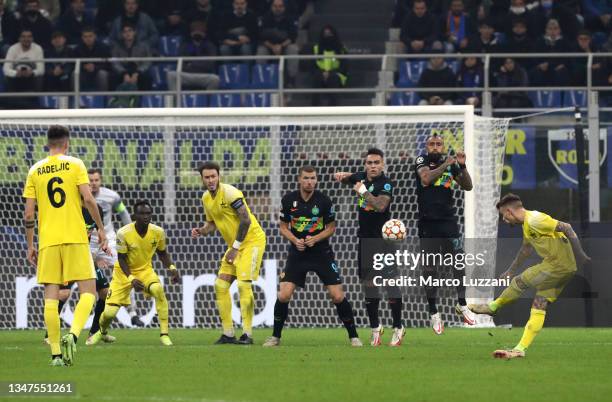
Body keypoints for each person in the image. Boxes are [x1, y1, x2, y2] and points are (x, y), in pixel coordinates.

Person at [23, 125, 109, 366]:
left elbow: (29, 214)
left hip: (48, 241)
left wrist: (30, 245)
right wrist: (101, 229)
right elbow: (89, 199)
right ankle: (72, 335)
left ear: (47, 144)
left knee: (51, 296)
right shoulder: (75, 164)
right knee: (89, 292)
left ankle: (55, 355)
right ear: (67, 144)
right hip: (75, 237)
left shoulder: (35, 170)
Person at [470, 193, 590, 359]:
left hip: (557, 265)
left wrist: (581, 253)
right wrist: (511, 269)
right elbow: (526, 249)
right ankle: (520, 349)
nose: (504, 220)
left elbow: (566, 227)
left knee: (520, 281)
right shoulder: (527, 224)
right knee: (539, 304)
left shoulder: (535, 219)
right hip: (565, 268)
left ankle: (493, 307)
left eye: (503, 216)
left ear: (509, 212)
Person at [263, 165, 361, 347]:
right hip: (297, 253)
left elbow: (331, 228)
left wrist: (314, 239)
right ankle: (275, 337)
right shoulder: (288, 200)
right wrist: (295, 240)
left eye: (313, 178)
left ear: (316, 180)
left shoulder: (324, 201)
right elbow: (283, 227)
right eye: (306, 178)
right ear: (299, 179)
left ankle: (354, 336)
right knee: (284, 295)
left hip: (321, 253)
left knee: (338, 296)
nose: (310, 182)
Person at [334, 148, 405, 347]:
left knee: (390, 284)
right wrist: (342, 175)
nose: (373, 166)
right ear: (365, 165)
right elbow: (350, 177)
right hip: (365, 241)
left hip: (385, 242)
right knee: (369, 285)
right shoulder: (360, 177)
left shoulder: (386, 184)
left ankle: (398, 327)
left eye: (376, 162)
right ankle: (376, 328)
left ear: (382, 164)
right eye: (369, 163)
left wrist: (363, 192)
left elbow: (381, 206)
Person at [192, 161, 267, 345]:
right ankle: (228, 333)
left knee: (243, 286)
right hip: (235, 245)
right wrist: (201, 230)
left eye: (213, 176)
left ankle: (247, 334)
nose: (210, 180)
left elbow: (246, 220)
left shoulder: (231, 193)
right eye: (207, 177)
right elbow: (212, 223)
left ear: (219, 176)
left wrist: (234, 248)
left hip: (252, 242)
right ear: (202, 179)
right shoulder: (206, 199)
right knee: (220, 286)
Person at [89, 200, 179, 346]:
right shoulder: (123, 233)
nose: (145, 216)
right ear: (134, 215)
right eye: (142, 213)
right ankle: (102, 332)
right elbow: (122, 259)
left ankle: (164, 334)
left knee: (158, 289)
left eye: (148, 213)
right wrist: (131, 278)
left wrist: (172, 268)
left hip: (145, 270)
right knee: (109, 313)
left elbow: (162, 253)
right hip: (122, 273)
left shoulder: (158, 232)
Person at [414, 133, 475, 335]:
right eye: (432, 144)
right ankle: (434, 312)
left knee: (458, 261)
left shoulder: (450, 163)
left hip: (448, 221)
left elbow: (468, 185)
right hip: (428, 223)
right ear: (426, 146)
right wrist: (446, 164)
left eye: (439, 144)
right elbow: (425, 179)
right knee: (430, 269)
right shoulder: (421, 161)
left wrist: (462, 166)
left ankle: (462, 304)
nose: (435, 147)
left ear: (443, 146)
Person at [43, 203, 116, 346]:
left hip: (85, 258)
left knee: (105, 292)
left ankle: (94, 332)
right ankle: (50, 334)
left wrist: (102, 249)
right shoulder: (70, 209)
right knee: (63, 293)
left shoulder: (96, 209)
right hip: (68, 256)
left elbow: (100, 237)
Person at [87, 168, 145, 330]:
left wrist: (130, 234)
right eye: (90, 180)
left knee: (125, 271)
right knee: (85, 278)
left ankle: (133, 313)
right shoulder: (81, 196)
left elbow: (124, 214)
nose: (93, 183)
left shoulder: (112, 197)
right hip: (88, 242)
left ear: (101, 181)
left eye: (96, 180)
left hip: (109, 240)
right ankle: (80, 314)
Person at [167, 20, 220, 93]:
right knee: (171, 75)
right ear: (191, 33)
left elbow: (210, 64)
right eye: (195, 32)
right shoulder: (185, 45)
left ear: (204, 33)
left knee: (215, 79)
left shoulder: (210, 46)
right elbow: (181, 63)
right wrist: (200, 63)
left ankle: (208, 103)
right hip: (187, 75)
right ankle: (176, 101)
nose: (197, 34)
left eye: (200, 32)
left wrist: (191, 64)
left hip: (203, 75)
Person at [256, 0, 299, 85]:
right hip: (268, 45)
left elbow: (293, 37)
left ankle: (291, 79)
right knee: (261, 52)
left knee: (293, 49)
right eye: (275, 6)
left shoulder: (290, 19)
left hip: (285, 45)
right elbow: (260, 36)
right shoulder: (265, 18)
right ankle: (261, 80)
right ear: (271, 7)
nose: (277, 8)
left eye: (280, 6)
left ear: (284, 8)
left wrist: (281, 46)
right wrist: (272, 46)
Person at [3, 29, 44, 109]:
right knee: (6, 77)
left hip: (31, 78)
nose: (26, 39)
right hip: (16, 78)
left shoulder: (38, 48)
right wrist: (15, 73)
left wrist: (32, 72)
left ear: (32, 39)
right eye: (23, 37)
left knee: (39, 78)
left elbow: (41, 69)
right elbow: (6, 69)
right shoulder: (13, 48)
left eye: (29, 37)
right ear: (19, 39)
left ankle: (34, 104)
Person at [311, 25, 347, 106]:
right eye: (325, 34)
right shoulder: (316, 48)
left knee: (333, 78)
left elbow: (344, 67)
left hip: (336, 74)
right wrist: (323, 73)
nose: (327, 36)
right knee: (317, 77)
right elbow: (312, 66)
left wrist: (330, 72)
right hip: (320, 74)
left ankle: (333, 109)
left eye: (330, 34)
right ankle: (314, 109)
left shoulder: (341, 48)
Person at [111, 22, 153, 92]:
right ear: (122, 34)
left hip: (138, 70)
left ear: (134, 32)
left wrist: (138, 72)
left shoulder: (144, 46)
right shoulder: (116, 47)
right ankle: (115, 100)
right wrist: (124, 73)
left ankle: (145, 100)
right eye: (125, 32)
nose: (127, 33)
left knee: (147, 78)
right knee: (112, 78)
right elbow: (115, 62)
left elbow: (147, 62)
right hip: (123, 70)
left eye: (130, 31)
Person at [73, 26, 111, 92]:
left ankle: (103, 97)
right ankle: (76, 98)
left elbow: (107, 64)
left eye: (90, 36)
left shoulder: (103, 47)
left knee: (103, 74)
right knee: (75, 74)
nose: (88, 39)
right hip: (83, 72)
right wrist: (84, 66)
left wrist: (95, 67)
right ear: (82, 38)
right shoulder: (77, 49)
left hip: (98, 70)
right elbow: (73, 64)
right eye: (85, 37)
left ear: (95, 36)